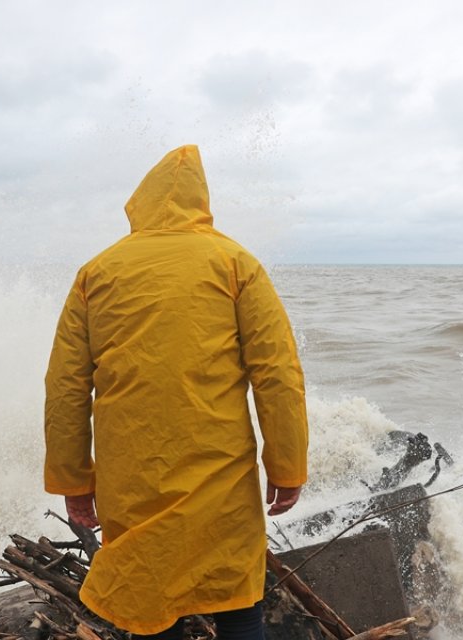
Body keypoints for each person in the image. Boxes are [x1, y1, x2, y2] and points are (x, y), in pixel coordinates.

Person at [44, 144, 309, 639]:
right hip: (220, 472)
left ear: (140, 202)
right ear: (201, 201)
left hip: (132, 476)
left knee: (149, 605)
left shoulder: (96, 273)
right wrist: (287, 466)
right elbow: (277, 374)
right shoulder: (235, 263)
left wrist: (75, 482)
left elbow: (65, 388)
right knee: (237, 605)